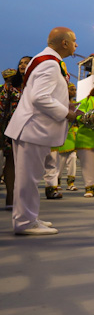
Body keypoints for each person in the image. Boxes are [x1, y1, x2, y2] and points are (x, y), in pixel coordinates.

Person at [5, 27, 79, 235]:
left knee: (28, 177)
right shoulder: (49, 63)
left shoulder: (46, 60)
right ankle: (25, 222)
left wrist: (67, 107)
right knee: (28, 178)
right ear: (64, 43)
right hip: (33, 128)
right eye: (74, 41)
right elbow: (40, 98)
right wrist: (67, 113)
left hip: (31, 128)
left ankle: (28, 217)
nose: (76, 45)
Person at [0, 56, 32, 209]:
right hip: (13, 128)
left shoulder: (37, 84)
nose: (22, 65)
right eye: (20, 62)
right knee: (11, 161)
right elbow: (2, 108)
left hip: (33, 128)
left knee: (29, 164)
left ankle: (25, 198)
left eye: (26, 62)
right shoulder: (11, 85)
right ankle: (11, 196)